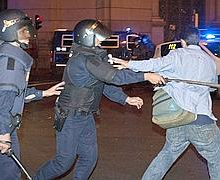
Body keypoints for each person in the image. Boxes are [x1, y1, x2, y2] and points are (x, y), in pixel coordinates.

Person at [33, 19, 165, 180]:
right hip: (70, 116)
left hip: (85, 115)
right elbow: (115, 76)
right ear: (87, 37)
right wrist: (145, 75)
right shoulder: (84, 59)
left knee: (89, 158)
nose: (102, 41)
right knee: (64, 162)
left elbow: (104, 84)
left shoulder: (93, 57)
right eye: (98, 37)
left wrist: (125, 99)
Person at [113, 26, 220, 179]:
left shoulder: (177, 55)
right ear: (199, 41)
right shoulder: (209, 62)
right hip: (201, 119)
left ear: (182, 41)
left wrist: (129, 64)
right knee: (217, 159)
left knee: (167, 155)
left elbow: (153, 65)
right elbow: (211, 88)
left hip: (178, 117)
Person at [0, 9, 64, 180]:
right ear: (9, 31)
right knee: (8, 175)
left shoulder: (3, 53)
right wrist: (3, 133)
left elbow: (14, 95)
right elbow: (3, 98)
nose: (28, 35)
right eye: (23, 30)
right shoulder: (11, 60)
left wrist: (43, 93)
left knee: (4, 173)